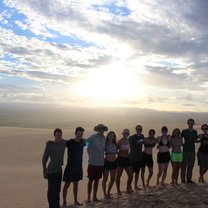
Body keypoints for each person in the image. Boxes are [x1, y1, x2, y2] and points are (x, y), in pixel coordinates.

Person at [42, 128, 66, 208]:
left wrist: (85, 142)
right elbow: (44, 160)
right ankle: (52, 206)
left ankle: (57, 205)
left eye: (60, 135)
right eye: (57, 135)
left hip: (59, 170)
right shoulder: (50, 145)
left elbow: (74, 142)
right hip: (51, 171)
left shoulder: (63, 142)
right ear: (54, 135)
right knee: (51, 191)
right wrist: (44, 171)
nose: (59, 137)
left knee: (57, 190)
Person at [62, 127, 85, 207]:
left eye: (81, 134)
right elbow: (61, 142)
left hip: (78, 167)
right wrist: (51, 142)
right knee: (66, 185)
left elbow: (90, 143)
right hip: (70, 167)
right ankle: (64, 202)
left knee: (76, 184)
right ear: (75, 133)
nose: (80, 135)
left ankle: (75, 201)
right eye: (79, 134)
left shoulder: (83, 142)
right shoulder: (70, 142)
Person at [85, 124, 108, 204]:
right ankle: (88, 197)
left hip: (101, 163)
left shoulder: (105, 139)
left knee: (97, 180)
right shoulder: (93, 137)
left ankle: (94, 196)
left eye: (102, 129)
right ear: (97, 129)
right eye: (99, 129)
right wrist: (89, 152)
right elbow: (85, 143)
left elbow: (106, 149)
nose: (101, 130)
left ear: (104, 130)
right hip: (92, 162)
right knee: (90, 180)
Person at [116, 128, 133, 194]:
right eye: (124, 133)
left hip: (127, 159)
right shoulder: (120, 141)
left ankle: (127, 189)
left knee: (130, 175)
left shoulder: (129, 141)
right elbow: (115, 149)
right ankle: (118, 190)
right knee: (118, 176)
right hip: (120, 159)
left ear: (128, 134)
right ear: (122, 134)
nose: (125, 134)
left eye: (127, 133)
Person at [181, 118, 198, 183]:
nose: (190, 124)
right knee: (184, 166)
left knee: (190, 166)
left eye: (191, 123)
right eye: (189, 123)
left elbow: (195, 140)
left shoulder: (195, 132)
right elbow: (180, 137)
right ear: (187, 123)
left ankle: (189, 179)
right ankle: (183, 179)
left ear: (193, 124)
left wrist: (201, 140)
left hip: (192, 151)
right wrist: (182, 144)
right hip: (185, 151)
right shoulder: (184, 131)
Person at [102, 131, 118, 198]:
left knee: (113, 178)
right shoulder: (105, 143)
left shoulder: (115, 143)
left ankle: (108, 192)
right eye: (110, 135)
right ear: (108, 136)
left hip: (114, 162)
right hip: (107, 162)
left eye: (113, 135)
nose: (111, 136)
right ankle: (105, 193)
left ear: (114, 137)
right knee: (105, 179)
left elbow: (118, 151)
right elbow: (100, 150)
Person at [129, 124, 144, 190]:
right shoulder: (131, 137)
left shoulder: (142, 136)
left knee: (137, 173)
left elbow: (143, 142)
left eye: (140, 129)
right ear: (136, 130)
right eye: (138, 129)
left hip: (139, 158)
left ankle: (135, 186)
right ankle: (129, 187)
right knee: (131, 174)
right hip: (132, 158)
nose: (139, 130)